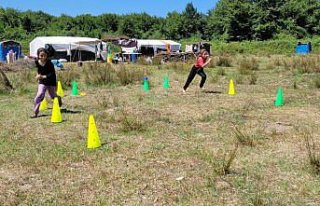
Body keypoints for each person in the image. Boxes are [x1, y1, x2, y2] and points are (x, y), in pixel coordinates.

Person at [31, 48, 61, 118]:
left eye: (44, 55)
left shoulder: (49, 63)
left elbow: (52, 74)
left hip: (51, 81)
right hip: (42, 82)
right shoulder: (36, 62)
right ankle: (35, 112)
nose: (43, 57)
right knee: (40, 94)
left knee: (53, 96)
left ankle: (58, 99)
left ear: (47, 56)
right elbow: (37, 70)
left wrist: (43, 76)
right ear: (38, 56)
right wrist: (37, 75)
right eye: (41, 55)